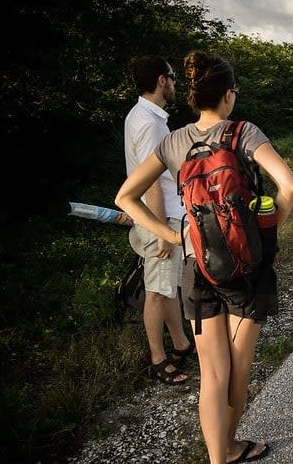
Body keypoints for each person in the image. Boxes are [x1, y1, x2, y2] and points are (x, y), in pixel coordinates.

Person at [116, 50, 293, 463]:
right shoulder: (243, 133)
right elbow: (288, 186)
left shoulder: (173, 141)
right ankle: (231, 445)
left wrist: (177, 234)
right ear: (229, 95)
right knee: (238, 370)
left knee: (212, 374)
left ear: (195, 96)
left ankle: (219, 457)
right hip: (245, 270)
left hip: (196, 266)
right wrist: (264, 232)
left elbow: (125, 197)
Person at [124, 55, 195, 386]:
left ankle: (180, 343)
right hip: (160, 215)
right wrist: (163, 232)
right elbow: (151, 181)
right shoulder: (150, 123)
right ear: (161, 80)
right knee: (156, 290)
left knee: (168, 287)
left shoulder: (143, 116)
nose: (175, 83)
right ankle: (158, 359)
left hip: (163, 214)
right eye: (171, 77)